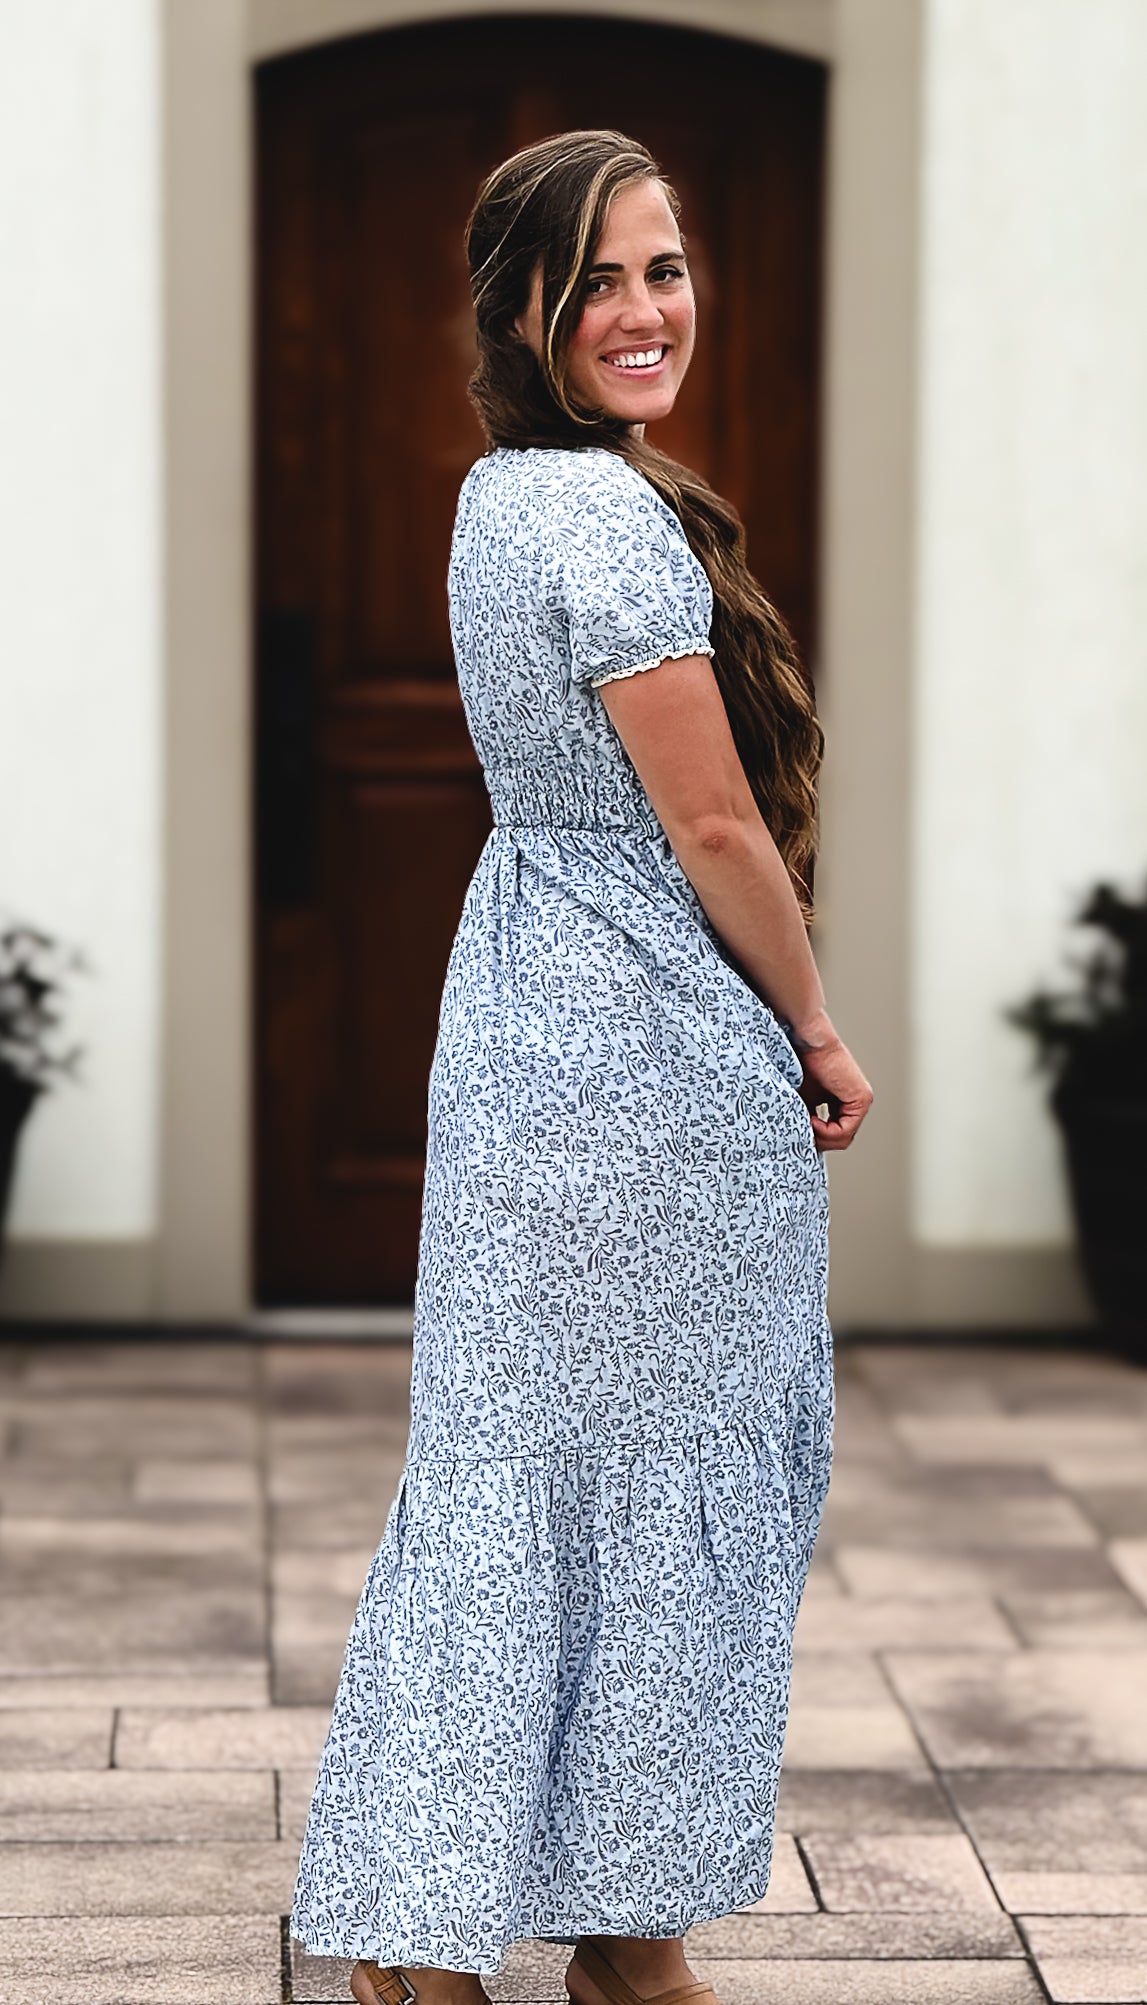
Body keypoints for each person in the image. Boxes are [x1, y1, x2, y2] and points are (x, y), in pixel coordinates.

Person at [291, 128, 872, 2005]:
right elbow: (711, 827)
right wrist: (817, 1023)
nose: (644, 311)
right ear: (521, 310)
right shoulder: (607, 517)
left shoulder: (499, 498)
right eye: (598, 279)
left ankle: (454, 1937)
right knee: (654, 1483)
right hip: (647, 1036)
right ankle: (605, 1939)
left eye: (666, 269)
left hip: (526, 1004)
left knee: (520, 1476)